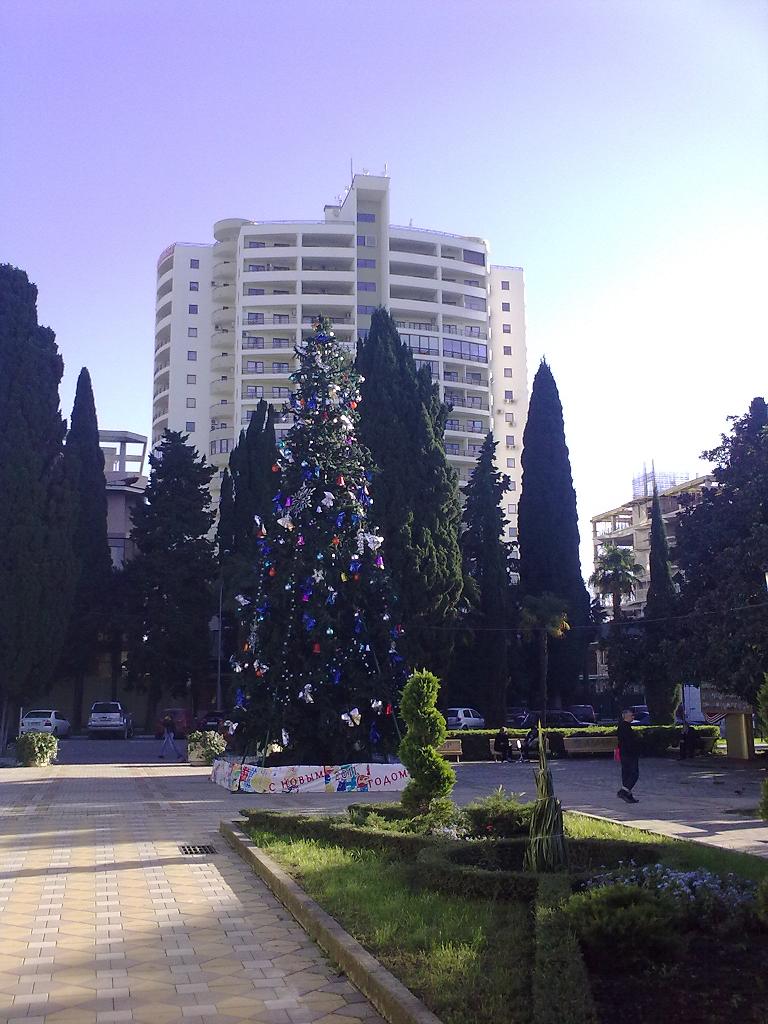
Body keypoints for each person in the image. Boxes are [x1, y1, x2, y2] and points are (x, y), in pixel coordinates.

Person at [617, 709, 640, 803]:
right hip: (629, 754)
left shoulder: (623, 726)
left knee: (627, 774)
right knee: (634, 774)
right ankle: (624, 791)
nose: (633, 717)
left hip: (625, 753)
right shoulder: (625, 727)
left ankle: (628, 795)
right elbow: (628, 742)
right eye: (631, 715)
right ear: (626, 716)